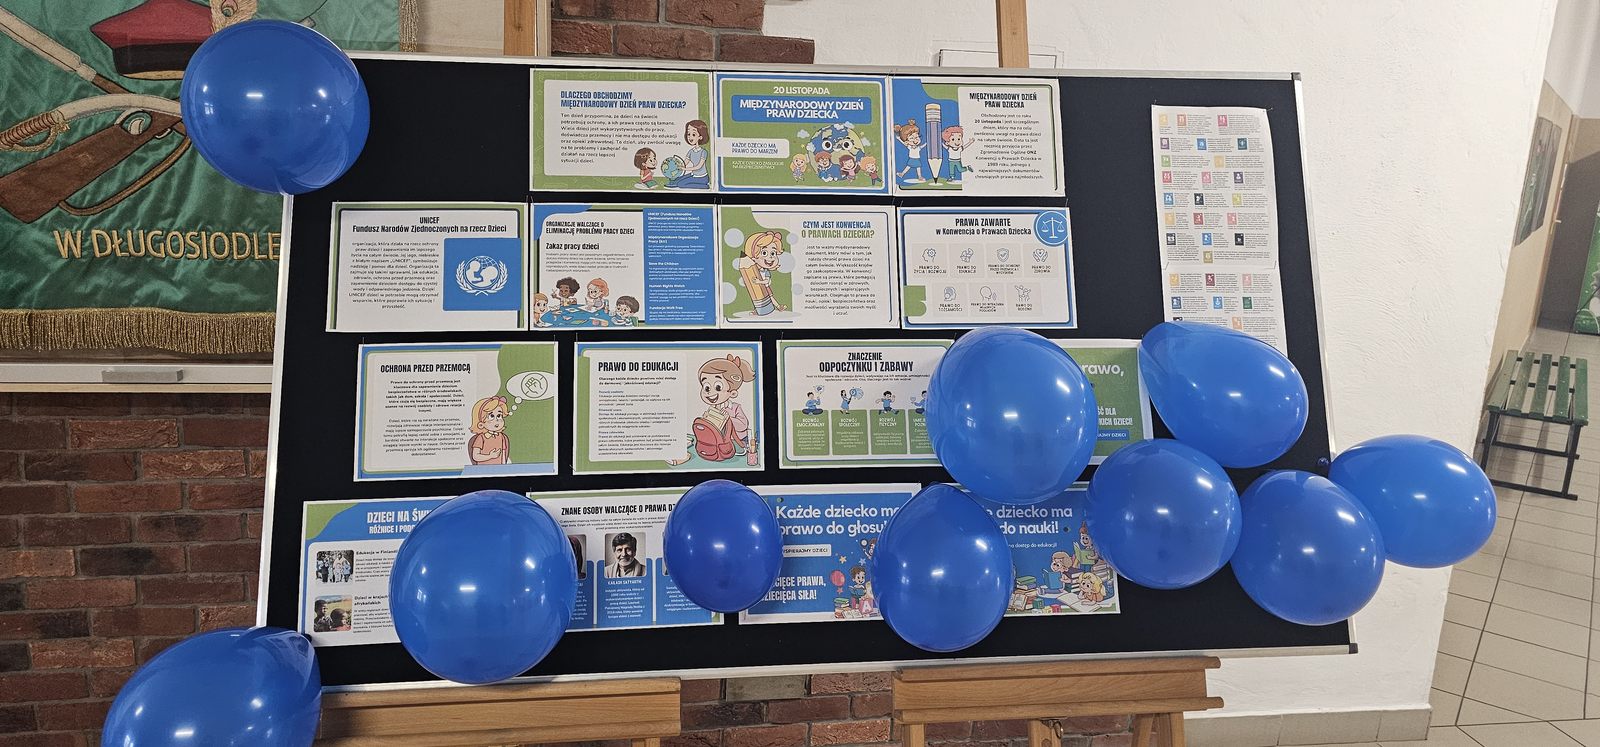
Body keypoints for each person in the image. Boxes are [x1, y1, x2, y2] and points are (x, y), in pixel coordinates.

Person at [667, 119, 710, 189]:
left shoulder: (703, 152)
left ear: (700, 137)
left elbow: (698, 167)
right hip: (693, 174)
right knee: (676, 180)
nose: (690, 137)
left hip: (701, 177)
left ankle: (705, 186)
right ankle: (673, 183)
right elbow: (685, 163)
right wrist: (676, 166)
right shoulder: (691, 151)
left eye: (693, 134)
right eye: (688, 134)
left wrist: (685, 169)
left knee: (681, 184)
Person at [467, 395, 510, 465]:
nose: (496, 420)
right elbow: (475, 456)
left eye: (499, 416)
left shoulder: (501, 437)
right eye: (491, 416)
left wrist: (504, 467)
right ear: (481, 424)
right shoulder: (481, 438)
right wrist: (490, 456)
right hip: (483, 469)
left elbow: (503, 454)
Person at [894, 119, 929, 184]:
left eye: (917, 137)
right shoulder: (910, 147)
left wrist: (927, 143)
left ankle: (919, 176)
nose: (915, 140)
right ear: (907, 141)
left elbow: (922, 146)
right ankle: (902, 174)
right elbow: (904, 143)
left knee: (917, 167)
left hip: (917, 159)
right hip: (912, 159)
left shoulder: (917, 147)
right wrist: (899, 139)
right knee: (909, 167)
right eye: (912, 138)